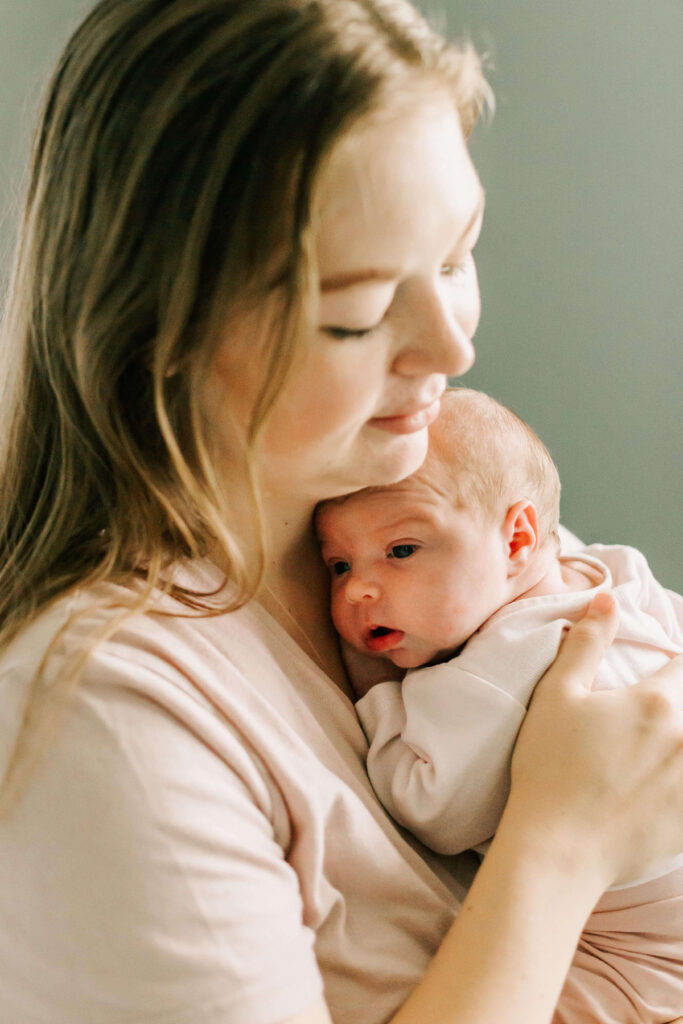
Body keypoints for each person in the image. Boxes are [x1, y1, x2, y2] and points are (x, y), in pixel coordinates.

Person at [1, 2, 683, 1023]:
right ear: (162, 328)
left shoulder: (401, 483)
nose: (449, 347)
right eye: (357, 313)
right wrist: (561, 842)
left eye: (457, 254)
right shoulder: (100, 724)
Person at [316, 387, 683, 1023]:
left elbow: (432, 808)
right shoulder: (606, 571)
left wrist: (374, 682)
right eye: (339, 565)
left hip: (644, 951)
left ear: (517, 540)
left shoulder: (497, 669)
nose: (360, 590)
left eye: (401, 550)